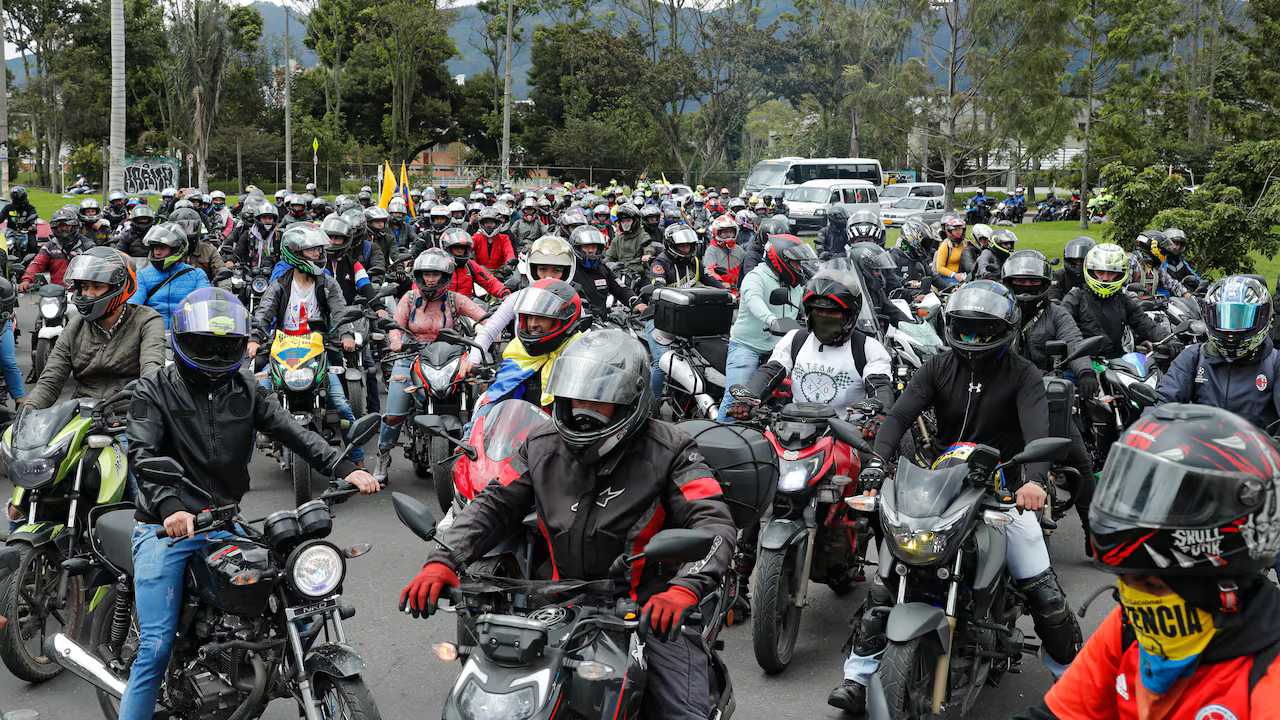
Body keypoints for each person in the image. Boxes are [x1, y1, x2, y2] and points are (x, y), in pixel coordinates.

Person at [399, 328, 737, 720]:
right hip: (560, 602)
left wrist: (684, 589)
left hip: (648, 609)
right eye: (576, 396)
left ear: (632, 402)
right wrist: (443, 559)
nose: (583, 410)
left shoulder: (671, 449)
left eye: (599, 401)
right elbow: (493, 504)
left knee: (684, 713)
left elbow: (713, 521)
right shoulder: (542, 444)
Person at [117, 287, 379, 720]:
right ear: (183, 340)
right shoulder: (154, 390)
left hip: (223, 519)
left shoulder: (246, 388)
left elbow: (291, 431)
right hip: (167, 527)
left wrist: (344, 465)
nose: (217, 354)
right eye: (206, 344)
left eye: (226, 345)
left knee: (288, 588)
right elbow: (143, 455)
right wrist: (170, 509)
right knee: (156, 646)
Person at [829, 280, 1081, 713]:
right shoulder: (937, 367)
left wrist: (1036, 481)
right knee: (889, 576)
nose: (971, 340)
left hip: (1004, 489)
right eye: (963, 329)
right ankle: (857, 676)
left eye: (981, 331)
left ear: (1005, 329)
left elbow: (1040, 433)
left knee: (1043, 593)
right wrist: (876, 461)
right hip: (940, 483)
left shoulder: (1025, 376)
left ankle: (1075, 683)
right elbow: (900, 415)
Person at [1014, 404, 1280, 720]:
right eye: (1126, 581)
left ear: (1224, 583)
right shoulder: (1130, 627)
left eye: (1151, 584)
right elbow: (1056, 714)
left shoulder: (1267, 680)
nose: (1133, 600)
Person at [244, 223, 364, 463]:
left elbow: (340, 312)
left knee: (340, 403)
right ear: (295, 252)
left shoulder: (327, 283)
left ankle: (357, 457)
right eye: (312, 251)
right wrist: (255, 339)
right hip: (282, 348)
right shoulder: (279, 284)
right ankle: (241, 459)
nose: (319, 255)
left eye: (319, 250)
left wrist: (347, 335)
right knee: (255, 395)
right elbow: (263, 313)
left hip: (317, 349)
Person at [1002, 249, 1097, 540]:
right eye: (1019, 281)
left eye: (1033, 282)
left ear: (1044, 283)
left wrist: (1085, 372)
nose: (1026, 286)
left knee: (1080, 461)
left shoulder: (1058, 313)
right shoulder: (1000, 310)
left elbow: (1073, 341)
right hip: (1002, 397)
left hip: (1046, 399)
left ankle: (1093, 533)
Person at [372, 249, 488, 482]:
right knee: (394, 413)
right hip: (412, 356)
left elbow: (483, 317)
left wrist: (487, 328)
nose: (430, 279)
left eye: (435, 274)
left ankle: (483, 453)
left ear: (445, 276)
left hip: (450, 357)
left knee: (481, 395)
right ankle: (383, 455)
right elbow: (396, 325)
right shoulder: (410, 298)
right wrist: (395, 341)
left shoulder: (455, 299)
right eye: (426, 274)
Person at [24, 247, 163, 409]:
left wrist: (143, 402)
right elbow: (49, 381)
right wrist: (28, 409)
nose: (88, 294)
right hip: (84, 411)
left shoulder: (147, 320)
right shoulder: (75, 326)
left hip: (130, 411)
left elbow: (152, 370)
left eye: (97, 287)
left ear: (120, 287)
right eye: (84, 286)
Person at [1157, 275, 1280, 430]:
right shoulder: (1194, 358)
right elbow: (1161, 404)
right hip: (1200, 450)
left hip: (1255, 452)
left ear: (1263, 318)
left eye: (1241, 318)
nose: (1230, 331)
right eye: (1223, 317)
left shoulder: (1275, 364)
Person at [1061, 242, 1163, 360]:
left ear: (1120, 274)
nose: (1105, 278)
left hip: (1117, 363)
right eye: (1100, 272)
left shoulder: (1123, 299)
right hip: (1083, 363)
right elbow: (1062, 329)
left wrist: (1170, 340)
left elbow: (1146, 325)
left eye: (1111, 272)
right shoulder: (1075, 297)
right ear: (1090, 270)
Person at [128, 223, 211, 332]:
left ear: (176, 249)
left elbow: (205, 305)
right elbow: (133, 304)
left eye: (162, 247)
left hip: (187, 332)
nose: (157, 252)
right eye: (154, 247)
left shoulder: (197, 275)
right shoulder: (142, 275)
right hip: (153, 332)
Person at [569, 225, 642, 316]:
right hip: (576, 322)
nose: (591, 250)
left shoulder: (602, 268)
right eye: (586, 246)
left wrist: (636, 302)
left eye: (594, 246)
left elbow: (620, 289)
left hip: (601, 324)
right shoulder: (569, 270)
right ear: (577, 248)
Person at [19, 207, 95, 291]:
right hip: (56, 293)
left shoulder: (88, 245)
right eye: (59, 226)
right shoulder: (49, 246)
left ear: (74, 226)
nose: (62, 229)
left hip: (83, 292)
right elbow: (37, 264)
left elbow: (96, 269)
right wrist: (26, 280)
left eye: (66, 225)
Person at [438, 228, 510, 300]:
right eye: (456, 247)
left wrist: (504, 293)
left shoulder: (469, 265)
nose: (460, 250)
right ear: (447, 248)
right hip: (442, 305)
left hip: (466, 306)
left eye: (462, 248)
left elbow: (489, 281)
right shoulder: (439, 265)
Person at [1129, 229, 1191, 298]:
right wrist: (1132, 297)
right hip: (1131, 305)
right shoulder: (1132, 262)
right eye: (1161, 250)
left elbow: (1170, 282)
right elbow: (1123, 288)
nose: (1163, 253)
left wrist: (1185, 293)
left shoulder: (1156, 267)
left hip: (1149, 305)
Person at [168, 206, 223, 282]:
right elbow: (153, 275)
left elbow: (221, 273)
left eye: (189, 227)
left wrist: (220, 292)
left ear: (198, 228)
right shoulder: (165, 249)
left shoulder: (209, 250)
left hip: (203, 291)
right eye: (180, 228)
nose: (185, 232)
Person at [605, 202, 649, 280]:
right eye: (623, 221)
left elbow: (648, 249)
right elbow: (609, 257)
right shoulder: (617, 239)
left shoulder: (643, 236)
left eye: (628, 220)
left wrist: (647, 256)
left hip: (639, 275)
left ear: (636, 221)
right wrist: (607, 264)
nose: (625, 223)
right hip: (620, 274)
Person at [231, 202, 281, 269]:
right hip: (251, 272)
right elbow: (238, 252)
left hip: (274, 272)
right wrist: (230, 260)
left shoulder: (278, 235)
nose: (267, 221)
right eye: (264, 218)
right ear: (258, 219)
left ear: (274, 220)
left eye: (270, 218)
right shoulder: (248, 234)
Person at [703, 213, 746, 289]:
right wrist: (721, 283)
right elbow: (709, 271)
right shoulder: (711, 250)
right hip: (719, 288)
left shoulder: (739, 250)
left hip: (738, 287)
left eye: (731, 232)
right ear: (716, 232)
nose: (729, 235)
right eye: (725, 232)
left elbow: (745, 268)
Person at [889, 218, 932, 290]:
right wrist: (906, 282)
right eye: (924, 243)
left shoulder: (918, 256)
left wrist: (950, 288)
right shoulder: (895, 255)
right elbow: (890, 277)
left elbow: (932, 276)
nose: (926, 246)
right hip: (900, 297)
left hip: (919, 295)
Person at [1049, 236, 1094, 301]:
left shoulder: (1097, 276)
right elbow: (1053, 299)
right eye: (1074, 260)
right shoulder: (1059, 275)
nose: (1078, 263)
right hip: (1063, 309)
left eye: (1082, 260)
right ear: (1068, 259)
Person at [473, 206, 515, 272]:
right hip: (479, 272)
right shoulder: (476, 237)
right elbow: (468, 248)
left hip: (499, 272)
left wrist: (510, 262)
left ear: (497, 223)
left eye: (491, 223)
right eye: (486, 223)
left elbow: (509, 251)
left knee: (516, 279)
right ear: (482, 224)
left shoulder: (504, 238)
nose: (489, 225)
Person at [932, 214, 968, 287]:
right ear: (949, 231)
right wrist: (954, 275)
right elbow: (940, 268)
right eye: (955, 229)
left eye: (960, 229)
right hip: (947, 277)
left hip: (963, 276)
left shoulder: (965, 243)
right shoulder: (945, 245)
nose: (958, 231)